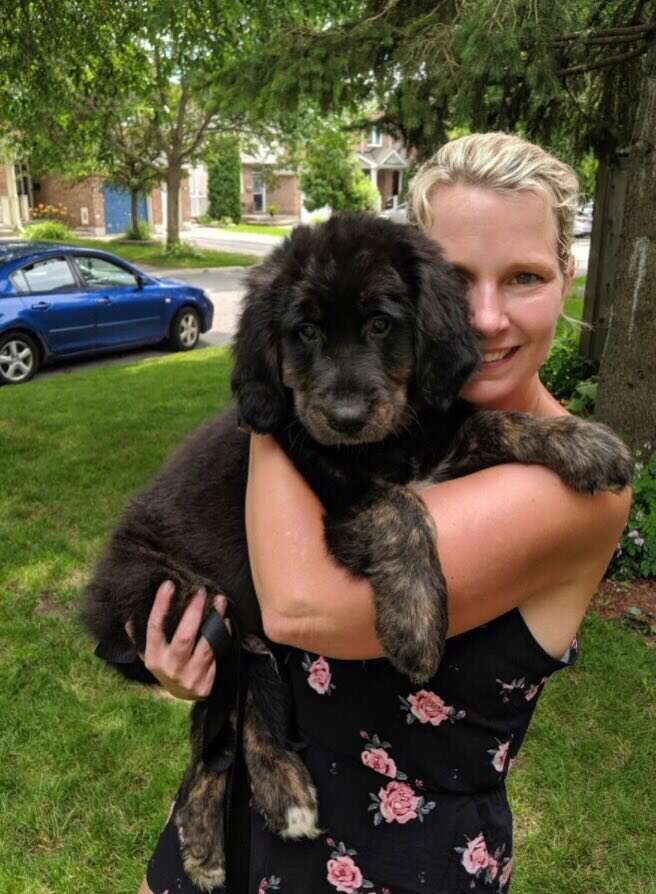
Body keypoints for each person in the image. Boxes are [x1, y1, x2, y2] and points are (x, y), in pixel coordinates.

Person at [139, 132, 631, 893]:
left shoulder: (572, 489)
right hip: (241, 812)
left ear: (569, 275)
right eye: (460, 280)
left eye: (526, 277)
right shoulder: (410, 413)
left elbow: (301, 606)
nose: (489, 318)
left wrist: (280, 415)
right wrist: (190, 670)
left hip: (393, 861)